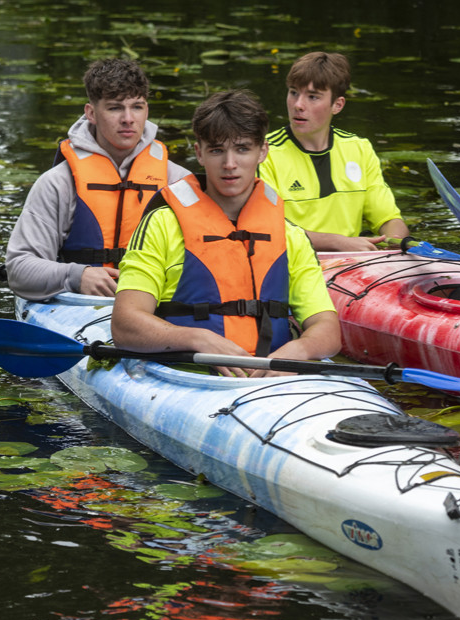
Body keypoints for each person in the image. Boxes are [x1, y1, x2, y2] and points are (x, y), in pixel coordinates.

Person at [110, 89, 341, 378]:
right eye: (217, 150)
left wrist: (299, 351)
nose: (229, 164)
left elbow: (327, 329)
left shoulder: (289, 235)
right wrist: (199, 339)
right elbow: (125, 323)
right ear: (199, 153)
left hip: (274, 378)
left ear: (263, 152)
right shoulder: (162, 225)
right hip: (186, 375)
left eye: (242, 149)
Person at [6, 58, 191, 300]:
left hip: (152, 305)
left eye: (137, 107)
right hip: (78, 304)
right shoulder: (58, 183)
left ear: (147, 110)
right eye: (115, 108)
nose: (128, 119)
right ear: (91, 113)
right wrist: (77, 276)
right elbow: (19, 268)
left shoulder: (178, 181)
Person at [259, 51, 410, 252]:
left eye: (312, 97)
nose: (298, 105)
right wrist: (337, 242)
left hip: (352, 268)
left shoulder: (360, 149)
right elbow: (265, 229)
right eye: (294, 92)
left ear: (337, 105)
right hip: (290, 264)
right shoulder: (263, 153)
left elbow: (389, 219)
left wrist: (396, 242)